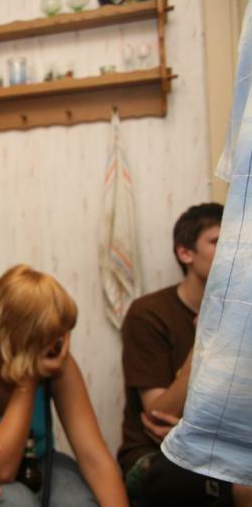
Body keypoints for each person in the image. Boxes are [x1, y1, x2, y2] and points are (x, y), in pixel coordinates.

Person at [117, 202, 246, 506]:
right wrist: (206, 344)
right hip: (154, 455)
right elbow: (160, 415)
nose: (234, 252)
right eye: (219, 241)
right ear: (186, 253)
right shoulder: (149, 314)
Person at [0, 265, 128, 507]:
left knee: (76, 502)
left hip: (42, 462)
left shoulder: (58, 363)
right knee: (17, 502)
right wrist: (29, 379)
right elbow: (0, 470)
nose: (61, 347)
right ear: (18, 337)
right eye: (52, 337)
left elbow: (95, 460)